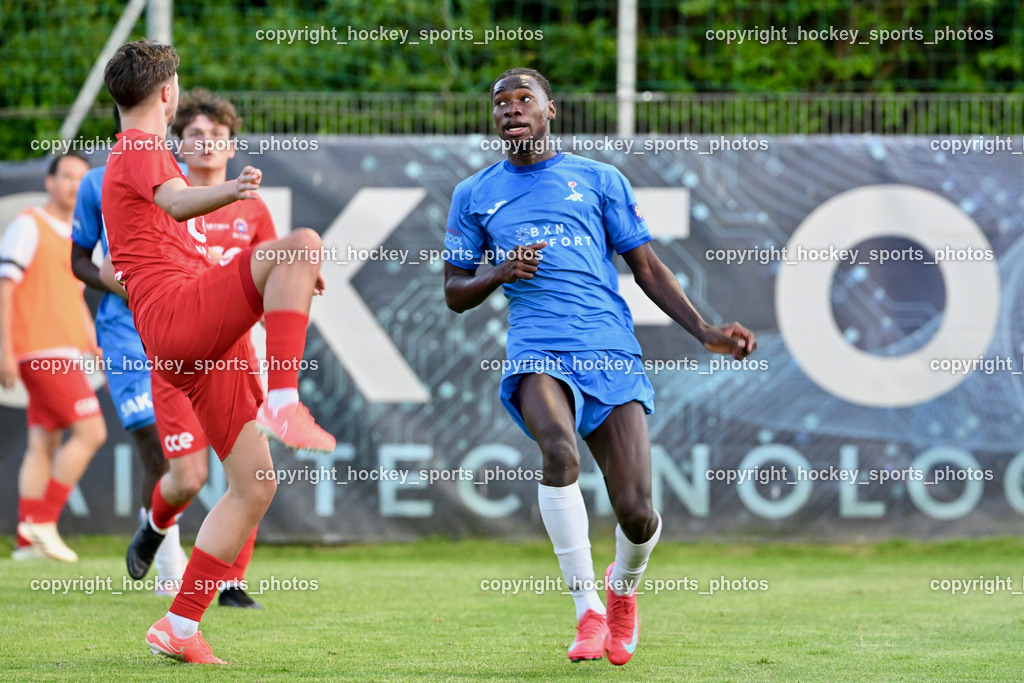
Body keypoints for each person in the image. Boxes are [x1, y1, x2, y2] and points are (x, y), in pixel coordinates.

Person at [443, 68, 757, 666]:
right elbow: (455, 292)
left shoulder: (598, 179)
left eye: (523, 99)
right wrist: (497, 274)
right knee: (558, 452)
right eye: (500, 103)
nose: (511, 109)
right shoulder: (474, 194)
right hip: (537, 348)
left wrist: (707, 331)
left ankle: (621, 590)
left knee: (636, 513)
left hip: (610, 351)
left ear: (550, 110)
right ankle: (586, 610)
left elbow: (649, 269)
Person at [101, 39, 334, 664]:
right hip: (179, 323)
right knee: (304, 238)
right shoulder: (142, 147)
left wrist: (284, 277)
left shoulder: (133, 156)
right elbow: (175, 207)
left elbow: (151, 245)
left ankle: (178, 626)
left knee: (255, 485)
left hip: (195, 340)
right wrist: (233, 192)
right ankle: (285, 400)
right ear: (167, 95)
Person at [122, 88, 278, 609]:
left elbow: (270, 273)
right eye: (195, 135)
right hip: (178, 348)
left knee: (252, 471)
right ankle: (156, 522)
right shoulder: (158, 186)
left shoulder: (251, 209)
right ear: (179, 143)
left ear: (232, 147)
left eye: (218, 136)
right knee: (188, 477)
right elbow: (114, 264)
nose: (207, 143)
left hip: (233, 348)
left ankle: (229, 580)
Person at [70, 113, 187, 593]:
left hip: (179, 327)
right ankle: (170, 570)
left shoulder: (181, 181)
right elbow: (78, 259)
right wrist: (115, 281)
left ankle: (226, 579)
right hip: (124, 335)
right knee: (157, 451)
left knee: (191, 460)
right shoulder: (96, 183)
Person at [0, 152, 107, 562]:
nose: (73, 186)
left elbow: (74, 300)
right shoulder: (30, 224)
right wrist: (6, 349)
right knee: (91, 431)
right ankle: (42, 522)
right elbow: (6, 289)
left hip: (61, 349)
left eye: (81, 180)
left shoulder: (71, 236)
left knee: (43, 442)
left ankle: (26, 544)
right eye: (65, 177)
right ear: (49, 182)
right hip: (40, 350)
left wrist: (93, 343)